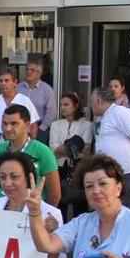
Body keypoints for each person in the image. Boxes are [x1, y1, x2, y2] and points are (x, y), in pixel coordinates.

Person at [91, 86, 130, 212]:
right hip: (115, 173)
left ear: (99, 100)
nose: (91, 105)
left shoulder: (120, 112)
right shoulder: (105, 117)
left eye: (92, 101)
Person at [0, 105, 60, 206]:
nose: (8, 128)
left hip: (32, 214)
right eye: (5, 123)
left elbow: (55, 195)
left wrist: (40, 215)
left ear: (27, 125)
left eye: (14, 124)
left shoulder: (43, 152)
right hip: (3, 213)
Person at [48, 92, 93, 220]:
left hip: (79, 168)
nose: (63, 107)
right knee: (60, 205)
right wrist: (74, 146)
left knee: (80, 205)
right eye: (61, 104)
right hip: (60, 167)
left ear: (75, 106)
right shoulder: (55, 125)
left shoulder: (86, 125)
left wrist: (65, 147)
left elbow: (86, 148)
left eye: (66, 104)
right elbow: (54, 148)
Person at [0, 68, 40, 148]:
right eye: (0, 81)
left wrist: (30, 145)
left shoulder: (25, 101)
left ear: (15, 82)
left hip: (21, 147)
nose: (3, 83)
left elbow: (33, 125)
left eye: (6, 80)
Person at [18, 59, 56, 136]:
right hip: (19, 127)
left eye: (32, 70)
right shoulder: (18, 87)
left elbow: (51, 112)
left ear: (39, 73)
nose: (28, 72)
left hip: (39, 128)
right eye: (27, 69)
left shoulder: (47, 90)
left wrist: (41, 129)